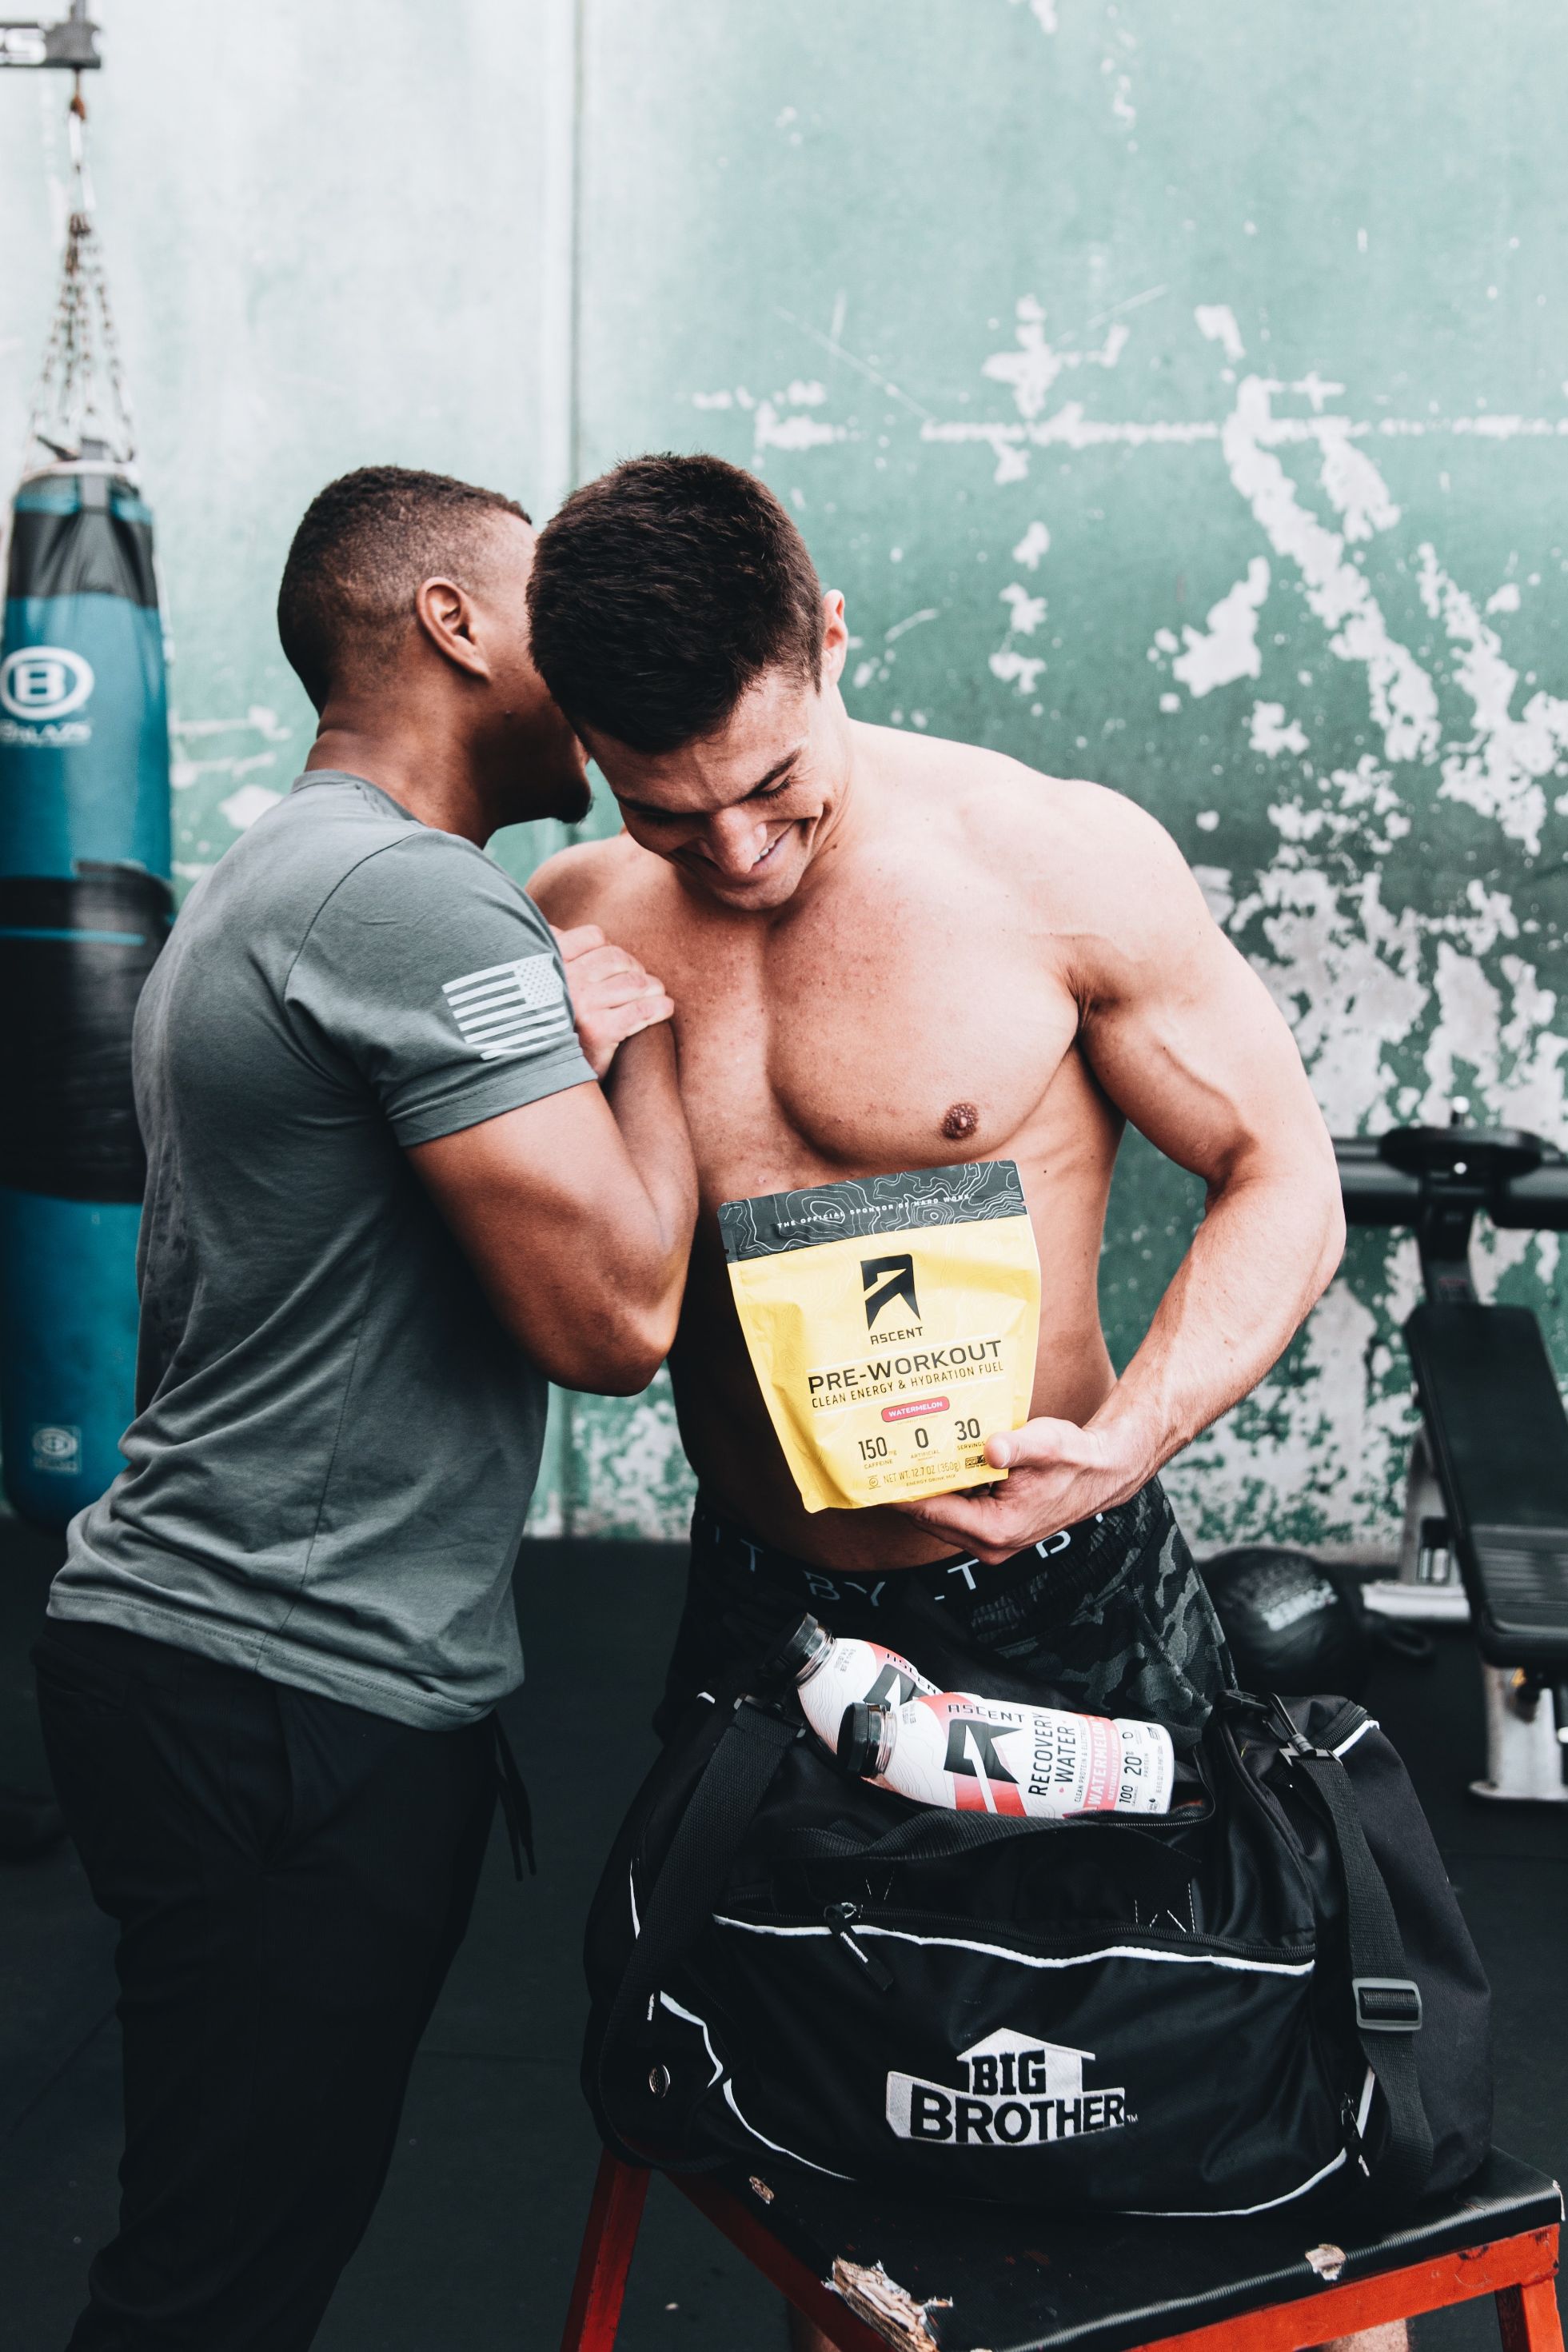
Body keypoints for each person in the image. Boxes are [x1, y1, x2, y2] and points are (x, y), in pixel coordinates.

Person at [525, 453, 1400, 2352]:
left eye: (775, 784)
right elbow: (593, 1313)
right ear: (584, 744)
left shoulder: (1052, 861)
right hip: (772, 1609)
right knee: (825, 2130)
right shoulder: (577, 918)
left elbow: (1283, 1174)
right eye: (668, 808)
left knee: (1241, 2107)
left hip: (1065, 1595)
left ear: (831, 640)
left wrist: (1138, 1430)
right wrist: (569, 1071)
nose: (735, 850)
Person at [34, 465, 695, 2352]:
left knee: (236, 2241)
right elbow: (618, 1319)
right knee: (219, 2281)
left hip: (218, 1658)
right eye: (553, 601)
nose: (596, 650)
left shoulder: (283, 870)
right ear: (453, 623)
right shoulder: (414, 903)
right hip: (285, 1682)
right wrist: (641, 1033)